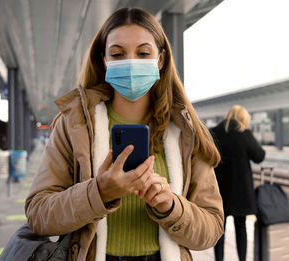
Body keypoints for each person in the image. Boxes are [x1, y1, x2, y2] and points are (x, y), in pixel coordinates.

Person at [25, 7, 224, 261]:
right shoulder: (74, 124)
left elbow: (212, 228)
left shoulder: (185, 130)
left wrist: (171, 206)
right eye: (117, 54)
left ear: (161, 60)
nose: (131, 63)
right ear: (104, 60)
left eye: (143, 53)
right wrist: (99, 193)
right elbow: (38, 213)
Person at [210, 105, 265, 261]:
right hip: (241, 190)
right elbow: (259, 156)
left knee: (220, 229)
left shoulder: (214, 132)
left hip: (220, 189)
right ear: (243, 119)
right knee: (241, 227)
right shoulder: (244, 133)